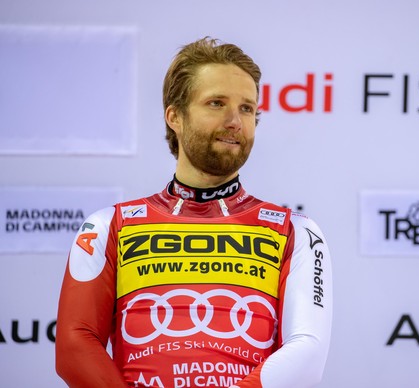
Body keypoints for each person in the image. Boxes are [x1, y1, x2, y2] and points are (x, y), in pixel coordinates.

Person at [55, 37, 332, 388]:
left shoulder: (295, 230)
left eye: (247, 108)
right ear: (175, 116)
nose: (235, 120)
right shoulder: (109, 225)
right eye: (217, 103)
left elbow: (308, 353)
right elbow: (74, 344)